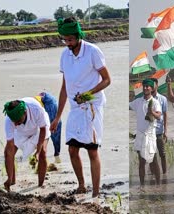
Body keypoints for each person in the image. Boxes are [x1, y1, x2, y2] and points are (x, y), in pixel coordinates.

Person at [50, 17, 111, 198]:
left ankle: (96, 192)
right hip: (75, 108)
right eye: (64, 39)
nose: (67, 43)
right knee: (72, 149)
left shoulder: (93, 51)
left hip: (92, 105)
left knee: (92, 150)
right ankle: (82, 185)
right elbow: (64, 87)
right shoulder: (64, 55)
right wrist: (57, 117)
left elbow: (107, 80)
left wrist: (87, 95)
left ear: (78, 36)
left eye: (70, 39)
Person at [3, 97, 51, 192]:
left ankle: (40, 185)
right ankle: (11, 180)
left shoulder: (36, 109)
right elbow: (10, 147)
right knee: (7, 153)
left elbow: (42, 130)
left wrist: (37, 151)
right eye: (14, 122)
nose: (15, 124)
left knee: (43, 153)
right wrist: (8, 177)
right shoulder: (10, 119)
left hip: (38, 128)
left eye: (18, 121)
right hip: (21, 131)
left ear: (25, 112)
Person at [130, 78, 161, 187]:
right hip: (140, 135)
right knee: (141, 162)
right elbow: (128, 106)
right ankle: (142, 185)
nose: (145, 88)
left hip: (150, 135)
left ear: (152, 89)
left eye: (148, 86)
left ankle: (158, 185)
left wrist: (151, 112)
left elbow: (159, 115)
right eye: (144, 86)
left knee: (153, 161)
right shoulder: (138, 101)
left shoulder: (155, 102)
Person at [34, 92, 62, 163]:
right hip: (44, 99)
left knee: (53, 129)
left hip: (48, 102)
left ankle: (56, 154)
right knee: (46, 130)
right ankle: (49, 153)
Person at [149, 77, 168, 174]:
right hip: (149, 131)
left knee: (163, 154)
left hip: (159, 131)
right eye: (149, 85)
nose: (151, 87)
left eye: (153, 85)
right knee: (151, 155)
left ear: (157, 85)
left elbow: (165, 115)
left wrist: (166, 131)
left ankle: (164, 174)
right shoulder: (146, 99)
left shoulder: (163, 99)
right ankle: (153, 174)